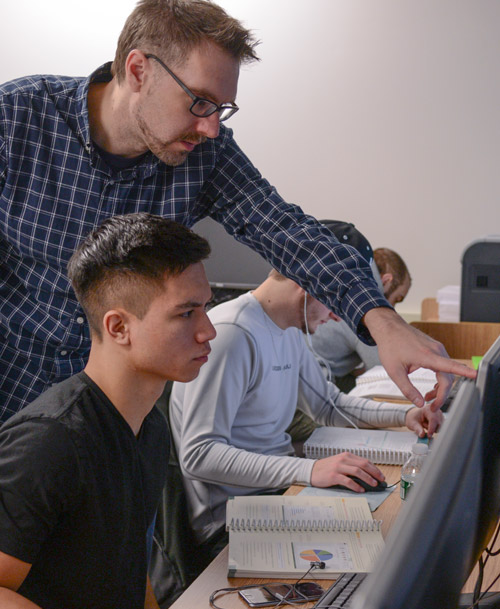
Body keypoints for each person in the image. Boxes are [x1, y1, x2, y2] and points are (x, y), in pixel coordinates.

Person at [0, 0, 474, 425]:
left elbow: (286, 230)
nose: (209, 128)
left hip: (111, 412)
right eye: (200, 101)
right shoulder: (17, 120)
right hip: (13, 391)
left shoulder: (204, 154)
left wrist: (382, 320)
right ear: (139, 70)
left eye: (222, 109)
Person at [0, 213, 223, 609]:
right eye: (187, 313)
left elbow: (124, 559)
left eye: (207, 308)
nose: (208, 331)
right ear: (119, 326)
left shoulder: (150, 427)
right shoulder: (50, 441)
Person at [169, 269, 443, 556]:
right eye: (336, 305)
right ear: (307, 284)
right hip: (230, 523)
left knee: (394, 525)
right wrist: (310, 469)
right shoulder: (232, 334)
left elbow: (327, 405)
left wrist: (406, 415)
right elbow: (199, 454)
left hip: (279, 494)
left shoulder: (287, 329)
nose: (338, 318)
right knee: (381, 550)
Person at [312, 226, 412, 390]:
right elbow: (381, 368)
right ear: (385, 281)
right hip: (322, 383)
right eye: (397, 299)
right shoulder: (364, 306)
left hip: (323, 377)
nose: (393, 307)